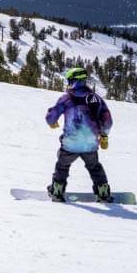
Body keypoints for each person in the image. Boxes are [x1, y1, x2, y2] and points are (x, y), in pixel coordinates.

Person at [45, 67, 113, 202]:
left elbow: (51, 116)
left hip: (70, 144)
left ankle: (57, 191)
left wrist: (52, 122)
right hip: (90, 144)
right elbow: (108, 120)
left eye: (69, 80)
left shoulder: (66, 99)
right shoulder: (96, 99)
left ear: (73, 81)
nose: (68, 83)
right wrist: (104, 136)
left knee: (62, 166)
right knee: (94, 167)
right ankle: (103, 192)